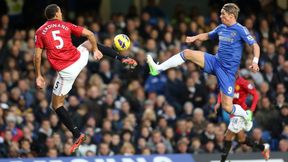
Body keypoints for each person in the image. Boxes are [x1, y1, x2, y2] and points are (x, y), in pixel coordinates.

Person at [34, 4, 137, 153]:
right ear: (56, 14)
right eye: (60, 12)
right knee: (88, 43)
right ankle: (122, 58)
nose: (61, 14)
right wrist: (95, 49)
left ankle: (77, 133)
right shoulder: (65, 25)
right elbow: (90, 34)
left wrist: (38, 75)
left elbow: (37, 56)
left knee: (56, 105)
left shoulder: (39, 32)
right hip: (78, 60)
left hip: (65, 72)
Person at [147, 3, 260, 126]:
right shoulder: (221, 27)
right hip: (215, 62)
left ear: (232, 16)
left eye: (223, 13)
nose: (220, 15)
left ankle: (246, 115)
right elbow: (207, 35)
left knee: (227, 107)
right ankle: (158, 68)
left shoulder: (240, 29)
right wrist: (194, 38)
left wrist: (255, 61)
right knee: (187, 53)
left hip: (227, 72)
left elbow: (255, 45)